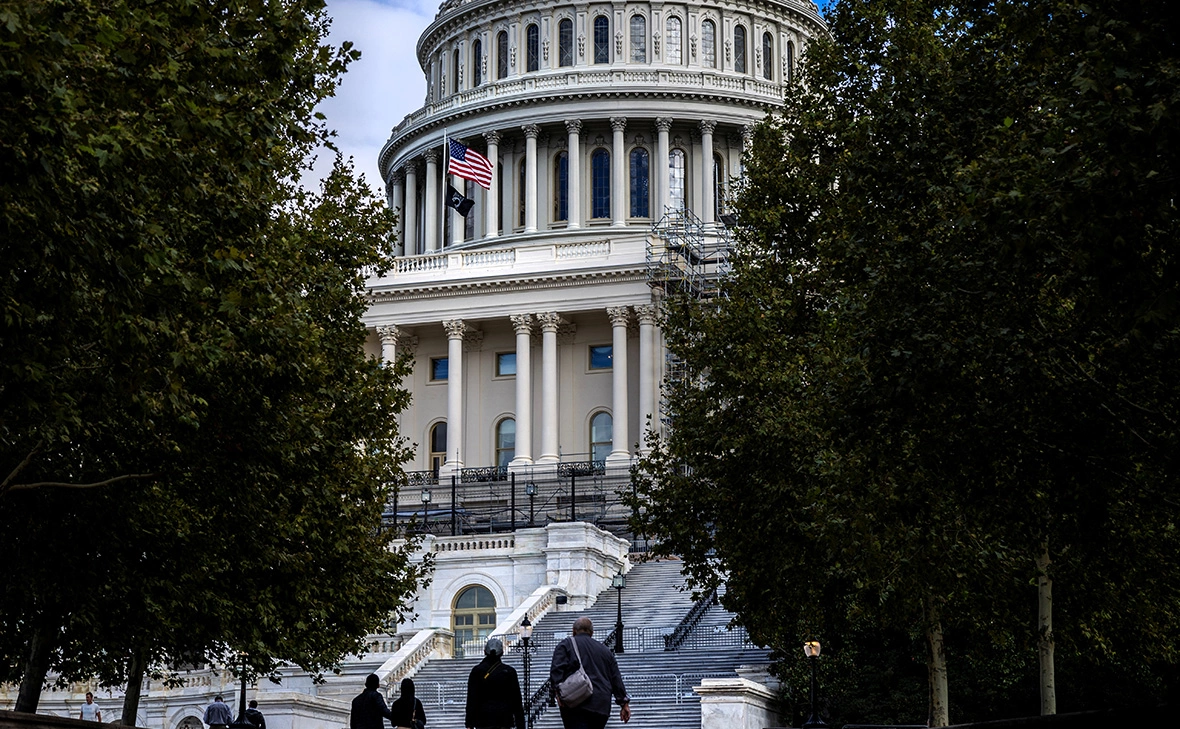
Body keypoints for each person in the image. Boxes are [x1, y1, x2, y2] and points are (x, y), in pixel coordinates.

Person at [549, 617, 631, 729]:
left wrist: (557, 693)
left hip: (575, 702)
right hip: (601, 706)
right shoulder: (605, 651)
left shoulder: (566, 645)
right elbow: (616, 678)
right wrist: (624, 703)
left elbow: (556, 671)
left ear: (573, 631)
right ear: (592, 633)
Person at [465, 637, 525, 729]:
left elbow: (472, 698)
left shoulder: (477, 671)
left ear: (485, 651)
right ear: (502, 653)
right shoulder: (509, 672)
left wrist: (469, 723)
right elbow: (516, 701)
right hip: (504, 719)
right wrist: (520, 724)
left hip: (482, 720)